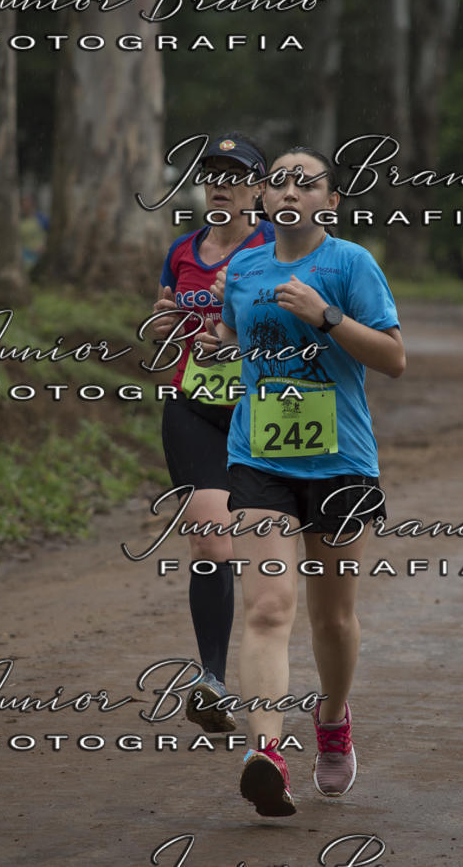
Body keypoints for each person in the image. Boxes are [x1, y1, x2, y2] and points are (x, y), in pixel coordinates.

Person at [196, 147, 405, 814]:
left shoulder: (350, 265)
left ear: (330, 202)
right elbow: (239, 341)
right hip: (259, 458)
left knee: (332, 617)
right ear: (263, 198)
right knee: (266, 608)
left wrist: (326, 316)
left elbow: (394, 359)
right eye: (279, 182)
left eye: (306, 183)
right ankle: (266, 753)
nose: (290, 191)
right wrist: (219, 345)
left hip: (341, 461)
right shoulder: (244, 268)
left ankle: (333, 720)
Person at [151, 133, 274, 733]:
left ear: (259, 188)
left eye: (235, 174)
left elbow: (301, 328)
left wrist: (240, 314)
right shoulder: (182, 250)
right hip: (194, 407)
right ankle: (212, 681)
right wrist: (165, 325)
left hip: (265, 414)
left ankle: (274, 664)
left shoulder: (275, 246)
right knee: (211, 542)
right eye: (211, 174)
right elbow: (163, 320)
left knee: (268, 554)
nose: (220, 185)